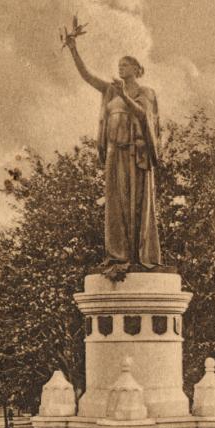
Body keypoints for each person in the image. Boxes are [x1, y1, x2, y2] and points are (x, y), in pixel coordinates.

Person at [63, 23, 162, 272]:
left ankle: (138, 256)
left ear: (137, 70)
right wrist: (74, 50)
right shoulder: (110, 91)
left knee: (135, 202)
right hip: (114, 153)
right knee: (116, 204)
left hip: (134, 153)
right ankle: (118, 256)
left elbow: (142, 115)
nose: (121, 67)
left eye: (126, 64)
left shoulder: (145, 92)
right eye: (119, 65)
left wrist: (125, 96)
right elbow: (87, 76)